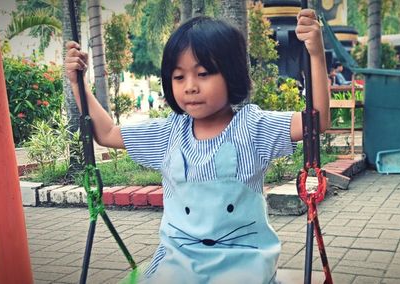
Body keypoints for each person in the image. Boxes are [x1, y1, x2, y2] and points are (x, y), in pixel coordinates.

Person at [64, 9, 329, 283]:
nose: (190, 86)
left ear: (232, 75)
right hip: (178, 260)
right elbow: (106, 133)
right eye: (179, 77)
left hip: (243, 260)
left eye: (203, 74)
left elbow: (315, 121)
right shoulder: (168, 132)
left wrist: (316, 56)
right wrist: (78, 83)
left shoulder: (252, 127)